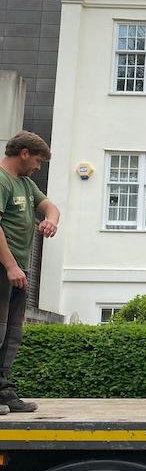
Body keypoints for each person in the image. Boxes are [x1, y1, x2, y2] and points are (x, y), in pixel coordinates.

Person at [0, 131, 60, 414]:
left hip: (18, 271)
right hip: (5, 268)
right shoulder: (2, 180)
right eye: (37, 161)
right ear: (24, 153)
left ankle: (3, 389)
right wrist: (10, 265)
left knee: (13, 332)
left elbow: (49, 205)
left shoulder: (24, 183)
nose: (38, 167)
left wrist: (50, 220)